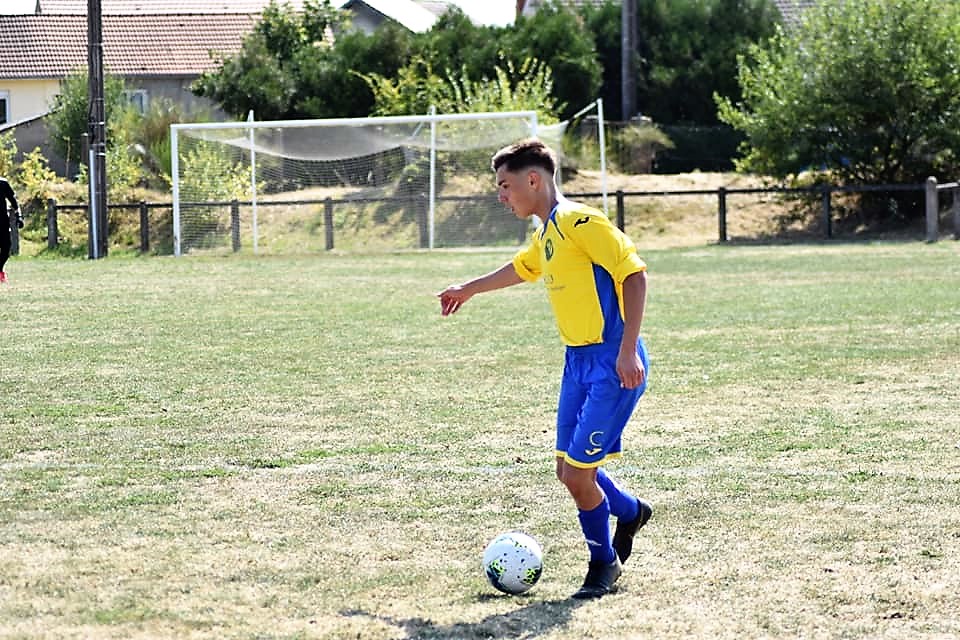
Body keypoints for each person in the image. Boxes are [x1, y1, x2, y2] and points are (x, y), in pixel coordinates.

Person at [437, 139, 653, 599]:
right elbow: (521, 268)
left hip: (612, 363)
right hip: (577, 363)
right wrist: (468, 289)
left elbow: (633, 274)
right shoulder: (547, 233)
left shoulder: (579, 222)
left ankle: (604, 564)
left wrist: (627, 351)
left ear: (533, 179)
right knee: (567, 469)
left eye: (505, 185)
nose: (501, 195)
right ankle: (631, 511)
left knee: (577, 476)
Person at [0, 177, 22, 284]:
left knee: (6, 248)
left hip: (3, 221)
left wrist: (19, 216)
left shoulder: (3, 183)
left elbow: (13, 200)